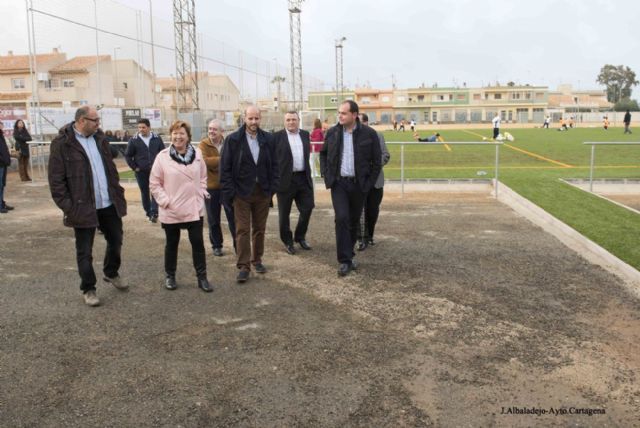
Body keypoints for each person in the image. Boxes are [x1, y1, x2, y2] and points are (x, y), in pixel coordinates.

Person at [48, 106, 128, 307]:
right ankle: (89, 288)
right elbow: (56, 181)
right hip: (82, 206)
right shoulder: (62, 144)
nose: (99, 124)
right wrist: (69, 207)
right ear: (82, 121)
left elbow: (110, 169)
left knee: (116, 240)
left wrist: (116, 190)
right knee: (85, 250)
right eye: (95, 120)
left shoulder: (99, 139)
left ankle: (111, 272)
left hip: (107, 202)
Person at [150, 120, 213, 293]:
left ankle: (202, 277)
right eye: (175, 133)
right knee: (172, 244)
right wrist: (165, 201)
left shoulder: (198, 154)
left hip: (193, 207)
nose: (178, 137)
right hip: (172, 208)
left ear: (187, 136)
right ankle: (170, 276)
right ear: (171, 135)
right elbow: (154, 183)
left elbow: (203, 177)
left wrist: (201, 192)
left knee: (198, 243)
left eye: (182, 133)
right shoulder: (162, 157)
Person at [320, 100, 381, 277]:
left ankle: (349, 255)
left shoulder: (369, 134)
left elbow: (377, 162)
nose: (340, 116)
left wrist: (368, 184)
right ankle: (344, 261)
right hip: (339, 184)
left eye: (344, 113)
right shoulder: (332, 132)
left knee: (353, 221)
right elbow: (323, 154)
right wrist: (326, 173)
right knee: (342, 218)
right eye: (339, 113)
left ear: (354, 115)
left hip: (359, 185)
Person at [220, 105, 279, 283]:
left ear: (261, 119)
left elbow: (276, 165)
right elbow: (225, 169)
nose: (253, 122)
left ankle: (257, 260)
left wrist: (271, 189)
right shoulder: (233, 140)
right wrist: (232, 193)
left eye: (257, 118)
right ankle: (244, 266)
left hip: (262, 192)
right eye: (250, 118)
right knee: (242, 230)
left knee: (259, 229)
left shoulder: (269, 139)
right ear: (244, 118)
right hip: (241, 194)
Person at [274, 111, 314, 255]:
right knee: (284, 214)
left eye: (294, 119)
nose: (291, 122)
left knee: (308, 208)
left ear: (298, 120)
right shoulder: (276, 137)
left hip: (303, 178)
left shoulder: (305, 134)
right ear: (284, 121)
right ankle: (288, 241)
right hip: (285, 181)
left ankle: (300, 236)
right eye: (288, 119)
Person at [200, 119, 236, 257]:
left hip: (227, 187)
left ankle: (237, 244)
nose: (211, 131)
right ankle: (217, 245)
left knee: (233, 217)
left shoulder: (229, 143)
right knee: (213, 219)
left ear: (222, 131)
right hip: (211, 187)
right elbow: (204, 162)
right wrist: (225, 160)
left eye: (215, 129)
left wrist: (217, 161)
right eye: (210, 129)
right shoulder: (204, 144)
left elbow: (235, 161)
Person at [357, 113, 390, 251]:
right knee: (359, 211)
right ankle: (360, 238)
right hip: (358, 182)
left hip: (375, 181)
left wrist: (374, 167)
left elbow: (385, 155)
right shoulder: (351, 137)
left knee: (372, 211)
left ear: (366, 122)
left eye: (360, 122)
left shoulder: (377, 136)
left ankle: (369, 235)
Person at [125, 118, 165, 223]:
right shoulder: (133, 140)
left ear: (149, 127)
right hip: (141, 172)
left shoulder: (157, 138)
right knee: (144, 192)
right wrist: (135, 168)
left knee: (155, 191)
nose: (141, 129)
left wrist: (162, 166)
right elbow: (128, 156)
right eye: (139, 127)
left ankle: (155, 212)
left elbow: (163, 153)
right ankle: (149, 212)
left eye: (143, 127)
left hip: (155, 171)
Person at [0, 121, 13, 214]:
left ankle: (2, 203)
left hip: (3, 163)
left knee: (2, 185)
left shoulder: (1, 135)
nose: (2, 126)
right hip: (0, 163)